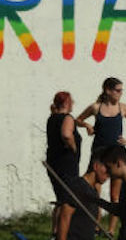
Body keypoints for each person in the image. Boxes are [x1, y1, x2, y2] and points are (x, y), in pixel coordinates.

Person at [75, 77, 126, 235]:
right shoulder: (96, 107)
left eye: (121, 90)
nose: (121, 93)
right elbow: (78, 119)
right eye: (118, 90)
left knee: (115, 195)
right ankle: (95, 224)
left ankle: (111, 229)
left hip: (117, 155)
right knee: (95, 192)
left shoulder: (123, 108)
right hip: (99, 154)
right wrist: (87, 126)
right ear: (108, 90)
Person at [47, 91, 82, 239]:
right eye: (71, 101)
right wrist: (73, 146)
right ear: (67, 103)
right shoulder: (67, 118)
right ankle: (62, 233)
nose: (73, 103)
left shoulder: (51, 118)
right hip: (66, 165)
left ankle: (55, 232)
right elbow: (66, 134)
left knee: (61, 198)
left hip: (53, 163)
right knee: (67, 200)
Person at [57, 149, 110, 240]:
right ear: (96, 166)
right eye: (107, 170)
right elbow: (64, 218)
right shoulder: (77, 187)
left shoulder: (93, 191)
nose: (109, 175)